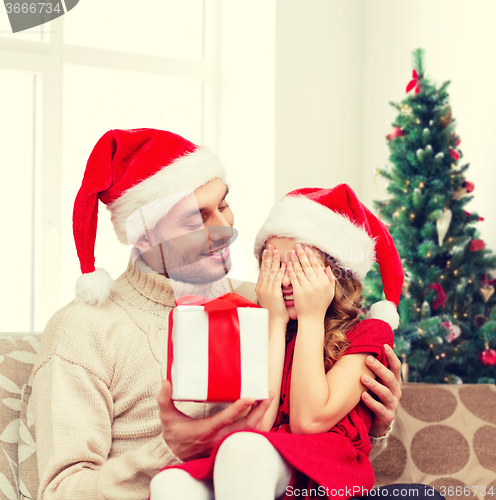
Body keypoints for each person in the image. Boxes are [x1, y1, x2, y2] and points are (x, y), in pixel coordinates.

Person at [32, 130, 402, 500]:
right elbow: (61, 492)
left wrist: (374, 421)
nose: (225, 231)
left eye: (223, 205)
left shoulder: (268, 301)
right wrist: (171, 451)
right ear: (143, 236)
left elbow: (312, 442)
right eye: (196, 220)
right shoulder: (83, 330)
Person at [149, 184, 407, 500]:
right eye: (274, 266)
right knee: (170, 483)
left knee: (243, 447)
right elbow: (259, 424)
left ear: (336, 275)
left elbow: (308, 421)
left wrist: (313, 317)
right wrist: (273, 321)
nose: (284, 281)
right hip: (258, 464)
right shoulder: (262, 325)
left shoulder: (367, 333)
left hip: (322, 473)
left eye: (299, 267)